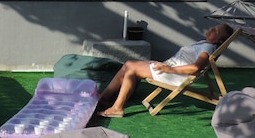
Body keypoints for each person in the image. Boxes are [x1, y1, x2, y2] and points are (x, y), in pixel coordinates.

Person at [95, 23, 235, 118]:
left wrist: (169, 69)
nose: (212, 29)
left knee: (131, 68)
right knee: (128, 65)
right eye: (214, 27)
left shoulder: (208, 48)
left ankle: (117, 108)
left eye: (216, 31)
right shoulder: (204, 43)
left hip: (174, 75)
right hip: (171, 70)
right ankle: (104, 98)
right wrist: (164, 65)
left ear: (219, 40)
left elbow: (195, 68)